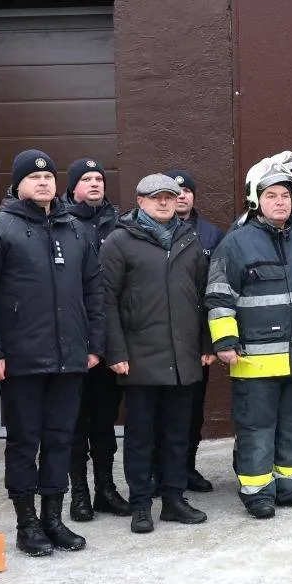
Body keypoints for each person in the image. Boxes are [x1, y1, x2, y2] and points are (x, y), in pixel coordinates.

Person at [0, 149, 105, 556]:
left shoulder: (75, 230)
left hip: (70, 359)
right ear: (18, 185)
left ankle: (53, 518)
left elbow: (94, 292)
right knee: (25, 441)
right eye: (34, 178)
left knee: (61, 439)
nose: (43, 183)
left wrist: (94, 345)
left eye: (48, 178)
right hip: (22, 360)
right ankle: (26, 523)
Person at [206, 162, 292, 519]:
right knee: (257, 428)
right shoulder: (235, 244)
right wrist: (225, 343)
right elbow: (219, 298)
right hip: (254, 361)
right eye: (272, 196)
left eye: (286, 195)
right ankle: (257, 491)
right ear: (256, 200)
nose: (281, 202)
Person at [98, 174, 211, 533]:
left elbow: (204, 296)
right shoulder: (119, 241)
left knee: (178, 432)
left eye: (169, 197)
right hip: (139, 356)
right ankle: (141, 504)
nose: (164, 203)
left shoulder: (189, 239)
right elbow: (106, 302)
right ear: (140, 200)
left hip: (183, 356)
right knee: (141, 435)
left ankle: (174, 499)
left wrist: (207, 344)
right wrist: (115, 350)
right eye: (155, 197)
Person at [61, 157, 127, 524]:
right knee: (75, 424)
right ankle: (79, 494)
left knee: (104, 422)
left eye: (99, 178)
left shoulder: (120, 223)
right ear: (73, 188)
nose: (95, 183)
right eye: (86, 178)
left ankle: (106, 489)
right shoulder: (63, 225)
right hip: (74, 341)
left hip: (109, 338)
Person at [166, 168, 226, 493]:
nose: (181, 196)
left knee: (192, 411)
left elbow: (216, 291)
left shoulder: (211, 235)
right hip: (161, 341)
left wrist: (210, 342)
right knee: (162, 411)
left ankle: (187, 468)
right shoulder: (151, 232)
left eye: (187, 191)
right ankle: (160, 471)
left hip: (197, 340)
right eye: (175, 192)